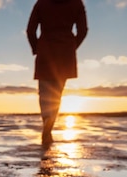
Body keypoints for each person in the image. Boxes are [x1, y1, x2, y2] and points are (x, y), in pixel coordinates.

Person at [27, 0, 88, 148]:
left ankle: (47, 125)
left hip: (45, 50)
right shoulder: (77, 3)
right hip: (65, 52)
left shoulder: (41, 3)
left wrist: (36, 48)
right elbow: (83, 30)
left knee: (44, 94)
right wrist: (72, 46)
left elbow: (30, 30)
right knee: (56, 94)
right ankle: (49, 127)